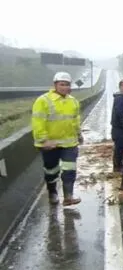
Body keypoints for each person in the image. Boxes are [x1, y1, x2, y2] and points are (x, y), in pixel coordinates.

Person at [31, 72, 83, 206]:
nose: (64, 87)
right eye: (62, 84)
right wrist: (43, 140)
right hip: (50, 144)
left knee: (70, 169)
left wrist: (79, 134)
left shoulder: (73, 101)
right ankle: (52, 193)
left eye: (67, 85)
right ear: (55, 85)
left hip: (69, 143)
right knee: (51, 171)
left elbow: (75, 120)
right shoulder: (43, 100)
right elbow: (38, 122)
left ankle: (68, 197)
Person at [110, 78, 123, 173]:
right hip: (119, 129)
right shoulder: (120, 98)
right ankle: (117, 167)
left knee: (122, 148)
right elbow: (121, 114)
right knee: (120, 148)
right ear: (120, 87)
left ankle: (119, 165)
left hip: (122, 128)